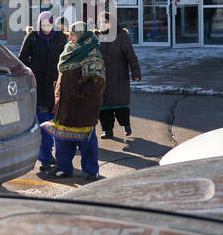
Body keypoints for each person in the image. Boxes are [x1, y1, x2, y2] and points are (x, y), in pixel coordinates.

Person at [44, 20, 105, 181]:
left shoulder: (92, 53)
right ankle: (63, 168)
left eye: (73, 34)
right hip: (64, 105)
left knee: (86, 141)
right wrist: (58, 92)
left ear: (82, 35)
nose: (69, 37)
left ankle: (91, 170)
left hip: (83, 107)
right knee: (62, 140)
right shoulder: (68, 50)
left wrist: (78, 94)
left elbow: (97, 83)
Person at [18, 10, 67, 172]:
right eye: (43, 24)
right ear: (39, 24)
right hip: (38, 86)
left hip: (55, 85)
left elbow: (66, 58)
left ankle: (54, 155)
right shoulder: (32, 37)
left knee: (56, 123)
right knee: (43, 123)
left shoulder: (60, 37)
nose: (46, 28)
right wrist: (33, 70)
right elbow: (22, 58)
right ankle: (45, 158)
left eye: (49, 24)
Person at [97, 13, 141, 140]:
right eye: (100, 23)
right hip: (101, 78)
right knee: (103, 107)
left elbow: (131, 56)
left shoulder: (121, 35)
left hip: (118, 75)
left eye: (105, 22)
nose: (102, 25)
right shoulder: (96, 37)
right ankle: (108, 130)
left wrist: (136, 72)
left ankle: (126, 124)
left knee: (120, 105)